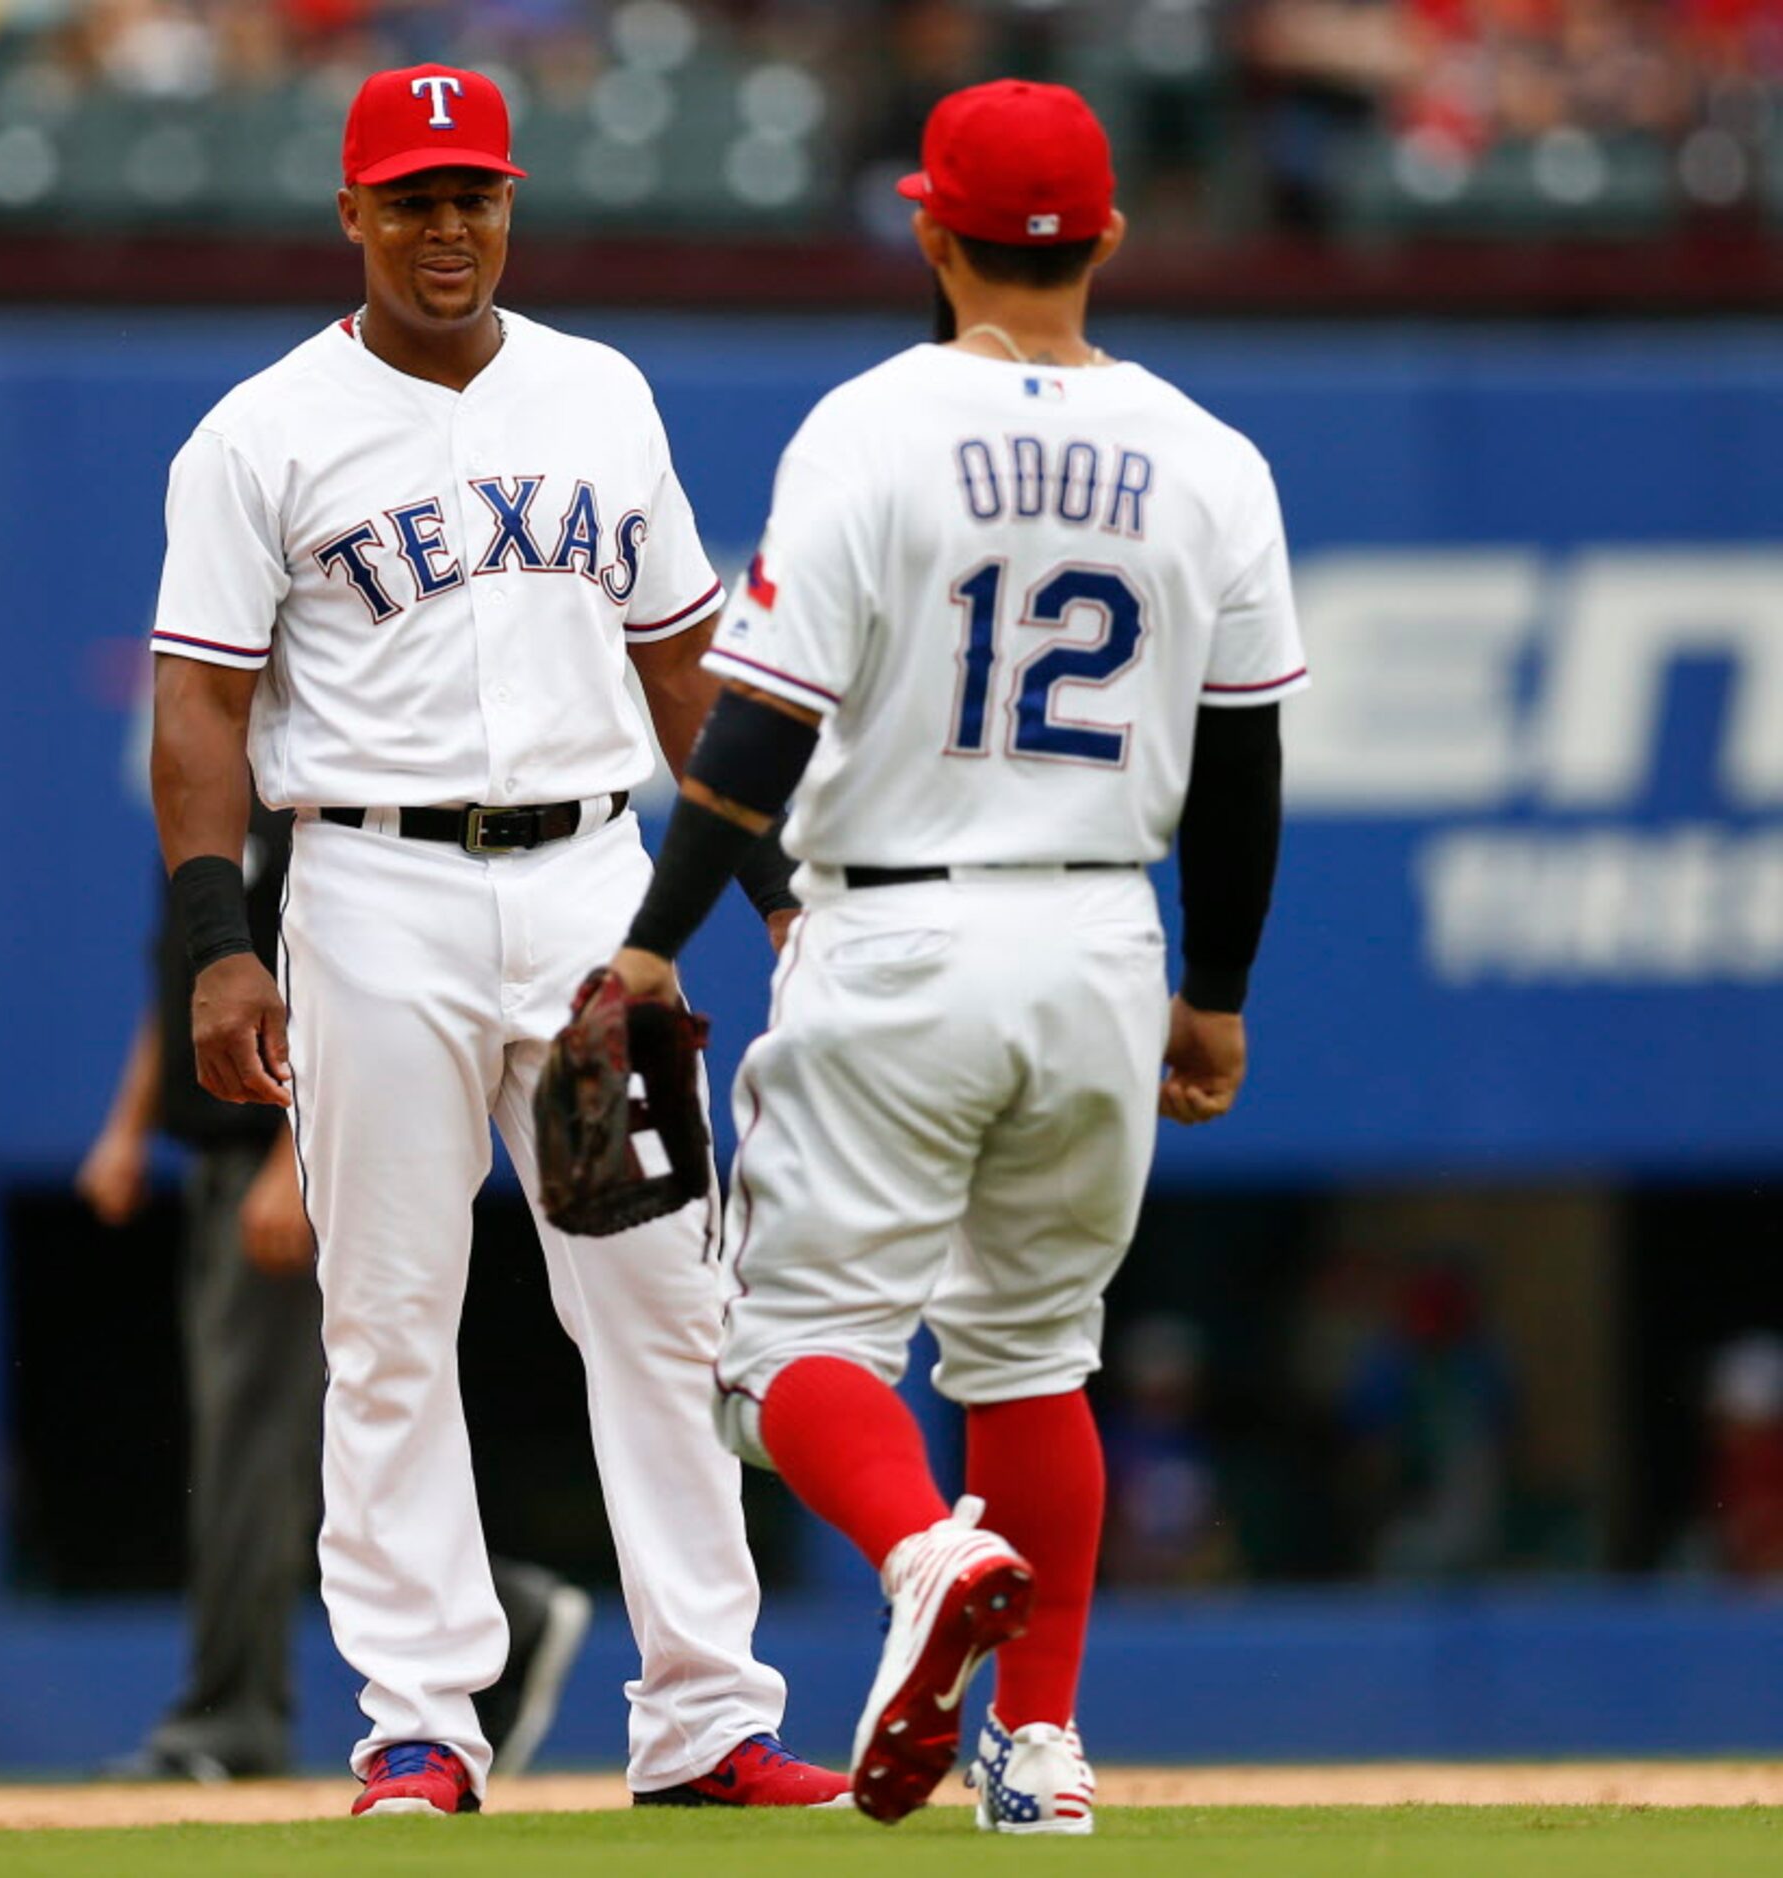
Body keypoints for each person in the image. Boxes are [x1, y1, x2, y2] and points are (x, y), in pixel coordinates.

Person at [585, 78, 1307, 1833]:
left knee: (783, 1359)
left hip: (901, 923)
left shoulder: (873, 424)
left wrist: (652, 941)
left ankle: (919, 1551)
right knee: (1037, 1354)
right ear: (1110, 236)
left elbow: (757, 725)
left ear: (930, 228)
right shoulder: (1213, 454)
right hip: (1100, 936)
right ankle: (1041, 1752)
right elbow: (1244, 765)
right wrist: (1212, 994)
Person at [146, 63, 847, 1817]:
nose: (448, 227)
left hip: (590, 896)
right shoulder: (262, 430)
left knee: (658, 1298)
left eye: (475, 194)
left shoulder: (599, 395)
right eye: (414, 198)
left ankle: (704, 1711)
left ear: (509, 205)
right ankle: (420, 1719)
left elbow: (685, 666)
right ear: (353, 215)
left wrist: (775, 880)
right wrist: (221, 940)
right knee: (390, 1311)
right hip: (371, 894)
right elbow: (200, 704)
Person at [78, 800, 595, 1781]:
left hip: (286, 1157)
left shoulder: (307, 808)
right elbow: (187, 986)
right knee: (300, 1450)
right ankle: (502, 1610)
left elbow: (339, 992)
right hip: (215, 1162)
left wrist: (294, 1156)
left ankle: (232, 1717)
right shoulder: (202, 822)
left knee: (251, 1445)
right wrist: (125, 1125)